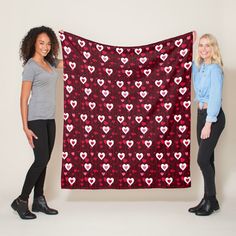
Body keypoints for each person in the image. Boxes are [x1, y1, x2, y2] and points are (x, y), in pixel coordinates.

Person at [11, 26, 63, 220]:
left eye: (49, 43)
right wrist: (25, 127)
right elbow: (23, 99)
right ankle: (21, 201)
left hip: (50, 118)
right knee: (40, 160)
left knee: (45, 160)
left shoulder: (50, 63)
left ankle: (39, 200)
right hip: (36, 119)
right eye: (42, 43)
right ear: (33, 43)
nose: (45, 47)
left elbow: (73, 63)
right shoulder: (31, 66)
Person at [189, 32, 225, 216]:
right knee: (208, 159)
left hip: (213, 117)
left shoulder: (215, 69)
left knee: (202, 159)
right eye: (201, 45)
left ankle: (209, 200)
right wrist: (190, 40)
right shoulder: (200, 67)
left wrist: (209, 123)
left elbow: (215, 99)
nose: (203, 49)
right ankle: (210, 200)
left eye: (207, 45)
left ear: (213, 48)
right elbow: (186, 64)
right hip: (201, 115)